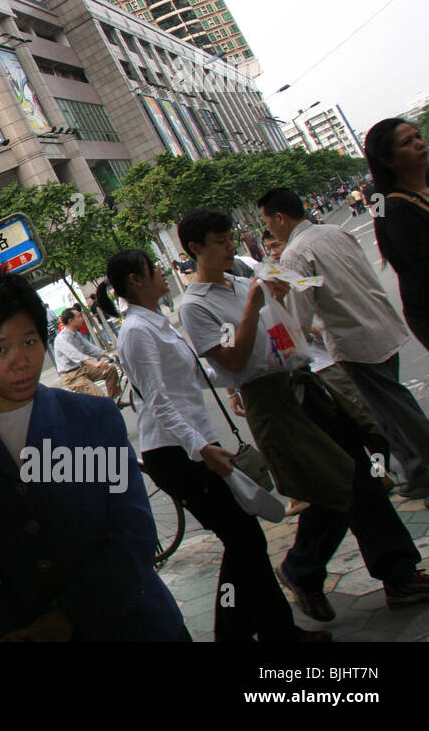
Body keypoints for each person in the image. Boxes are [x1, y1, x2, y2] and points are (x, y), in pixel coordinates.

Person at [177, 208, 429, 621]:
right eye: (219, 242)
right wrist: (254, 308)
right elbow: (235, 361)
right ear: (195, 249)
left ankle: (397, 574)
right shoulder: (195, 306)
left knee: (360, 475)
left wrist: (277, 302)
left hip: (305, 384)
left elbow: (280, 332)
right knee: (334, 487)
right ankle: (303, 569)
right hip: (271, 403)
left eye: (230, 238)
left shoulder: (243, 281)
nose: (229, 248)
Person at [0, 271, 186, 641]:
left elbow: (134, 531)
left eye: (30, 342)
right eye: (0, 349)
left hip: (137, 625)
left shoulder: (93, 417)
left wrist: (67, 619)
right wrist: (9, 632)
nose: (21, 361)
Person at [98, 251, 326, 641]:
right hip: (177, 452)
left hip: (191, 445)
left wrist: (242, 375)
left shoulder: (153, 323)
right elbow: (156, 400)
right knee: (243, 539)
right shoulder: (137, 331)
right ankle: (235, 633)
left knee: (246, 538)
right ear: (137, 281)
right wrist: (200, 447)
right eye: (156, 270)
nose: (166, 274)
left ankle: (277, 631)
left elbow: (192, 378)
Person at [260, 187, 429, 500]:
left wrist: (286, 349)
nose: (268, 229)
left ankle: (421, 467)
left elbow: (299, 317)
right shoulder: (334, 232)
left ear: (280, 218)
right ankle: (416, 470)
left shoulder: (295, 253)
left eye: (268, 223)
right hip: (382, 325)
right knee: (387, 409)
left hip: (354, 340)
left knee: (396, 409)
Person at [365, 118, 429, 351]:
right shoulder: (390, 205)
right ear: (389, 160)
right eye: (407, 142)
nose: (420, 144)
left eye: (418, 136)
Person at [52, 307, 121, 399]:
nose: (82, 319)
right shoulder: (61, 339)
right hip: (72, 376)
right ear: (71, 321)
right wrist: (95, 364)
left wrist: (109, 355)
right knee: (99, 396)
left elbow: (89, 348)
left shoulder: (77, 334)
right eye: (78, 317)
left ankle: (114, 402)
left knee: (110, 369)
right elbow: (76, 355)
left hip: (83, 369)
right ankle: (106, 407)